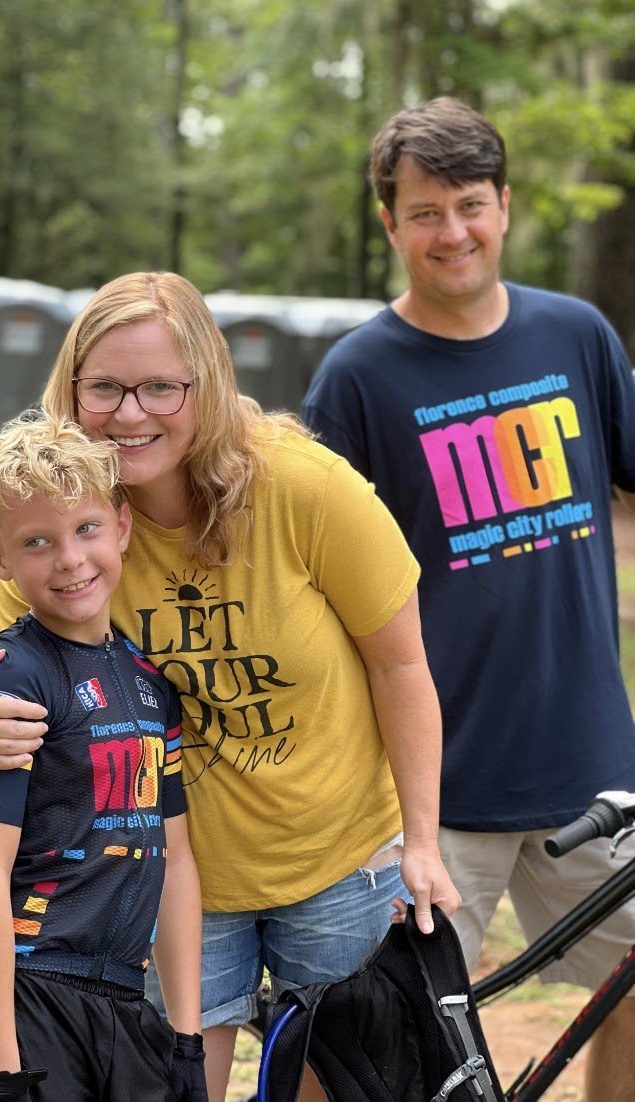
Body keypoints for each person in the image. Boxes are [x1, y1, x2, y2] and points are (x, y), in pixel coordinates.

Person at [0, 271, 460, 1102]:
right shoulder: (65, 529)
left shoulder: (307, 489)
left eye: (161, 387)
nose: (130, 411)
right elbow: (24, 686)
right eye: (103, 386)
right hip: (176, 880)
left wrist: (421, 842)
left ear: (205, 383)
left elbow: (401, 665)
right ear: (71, 389)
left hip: (335, 860)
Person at [300, 96, 635, 1102]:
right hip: (429, 792)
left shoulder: (575, 335)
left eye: (472, 205)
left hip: (590, 769)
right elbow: (313, 589)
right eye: (427, 211)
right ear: (389, 222)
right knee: (367, 1032)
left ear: (505, 206)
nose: (454, 231)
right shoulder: (357, 377)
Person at [0, 412, 207, 1102]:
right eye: (37, 542)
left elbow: (172, 861)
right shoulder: (13, 678)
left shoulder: (151, 684)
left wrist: (186, 1035)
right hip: (30, 999)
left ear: (121, 526)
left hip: (125, 1005)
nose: (69, 559)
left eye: (86, 529)